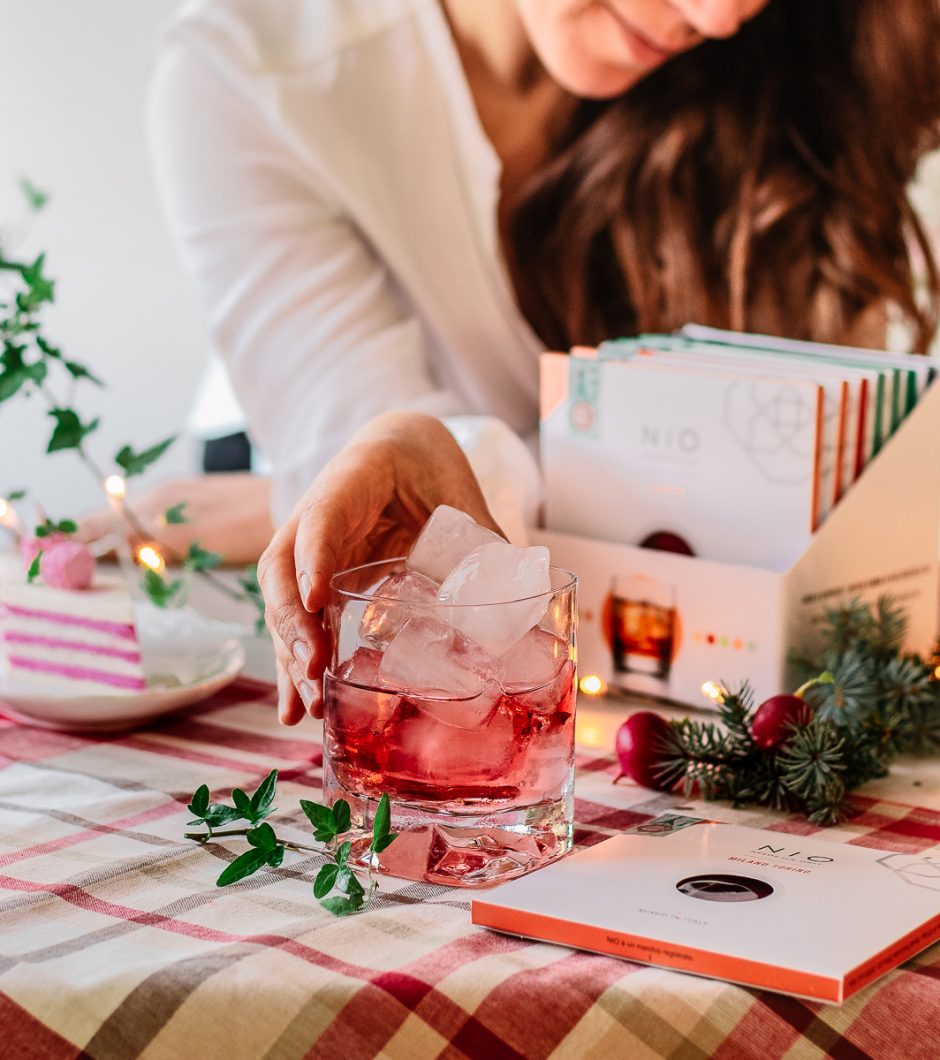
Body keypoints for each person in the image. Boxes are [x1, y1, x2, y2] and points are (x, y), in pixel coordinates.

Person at [148, 0, 940, 725]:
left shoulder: (799, 80)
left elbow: (807, 511)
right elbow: (390, 553)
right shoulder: (254, 74)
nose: (720, 15)